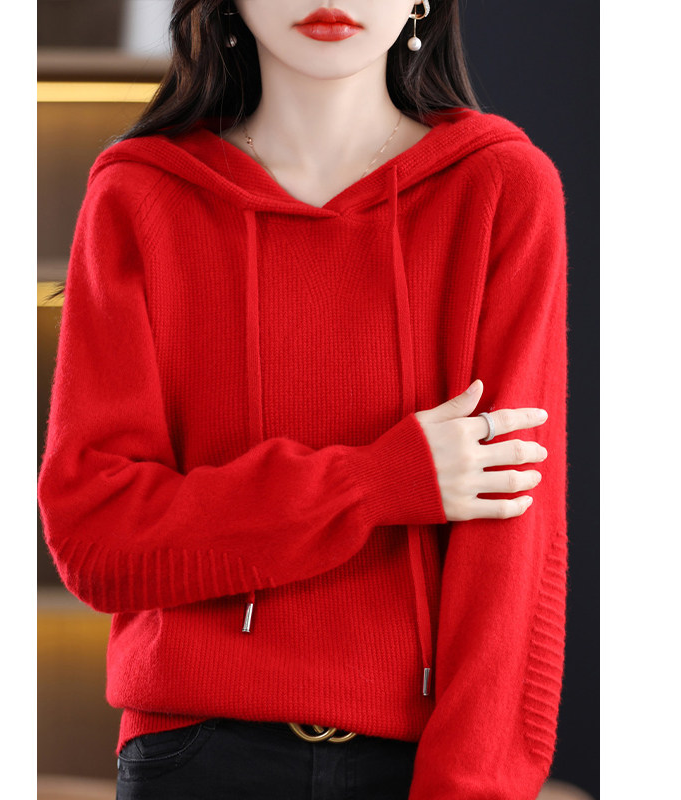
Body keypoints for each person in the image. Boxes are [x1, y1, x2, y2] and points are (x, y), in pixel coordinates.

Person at [37, 1, 569, 798]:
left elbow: (514, 548)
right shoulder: (140, 194)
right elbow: (96, 536)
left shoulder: (499, 188)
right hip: (194, 759)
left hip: (412, 764)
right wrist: (373, 483)